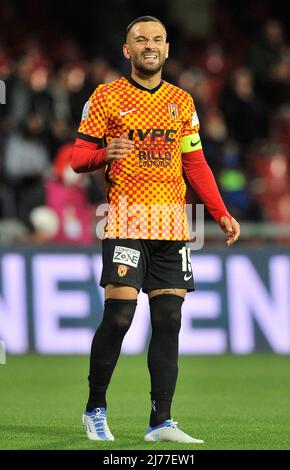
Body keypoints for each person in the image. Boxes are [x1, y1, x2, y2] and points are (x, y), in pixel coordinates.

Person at [71, 16, 240, 443]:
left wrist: (219, 212)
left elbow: (194, 162)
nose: (150, 45)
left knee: (168, 319)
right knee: (120, 316)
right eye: (141, 39)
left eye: (158, 39)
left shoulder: (182, 102)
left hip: (171, 225)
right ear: (127, 50)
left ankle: (160, 422)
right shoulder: (106, 97)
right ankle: (95, 409)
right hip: (126, 218)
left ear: (167, 49)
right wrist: (104, 153)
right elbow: (77, 157)